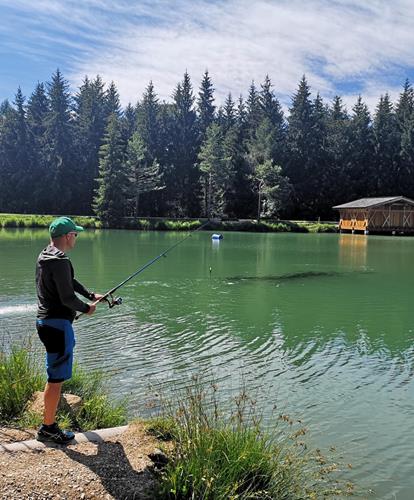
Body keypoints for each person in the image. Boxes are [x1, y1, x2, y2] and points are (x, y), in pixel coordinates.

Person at [35, 216, 103, 444]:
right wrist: (87, 308)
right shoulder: (61, 261)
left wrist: (91, 295)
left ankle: (48, 424)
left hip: (45, 323)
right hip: (58, 326)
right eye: (75, 234)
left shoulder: (45, 255)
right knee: (56, 380)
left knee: (54, 376)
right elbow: (66, 297)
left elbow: (69, 282)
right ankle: (48, 428)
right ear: (67, 236)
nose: (76, 237)